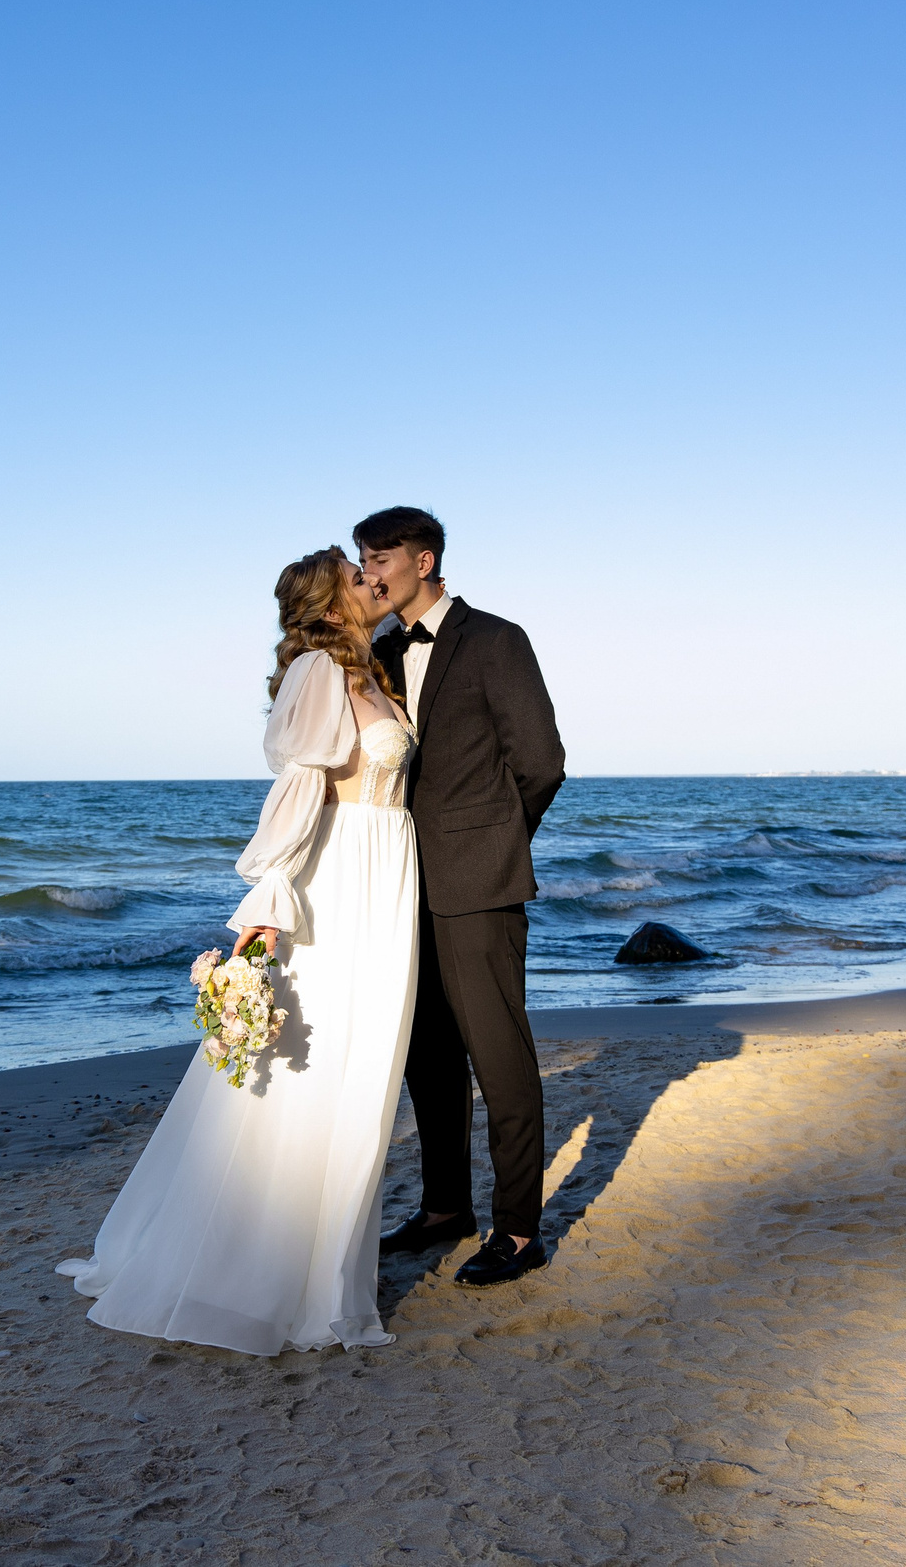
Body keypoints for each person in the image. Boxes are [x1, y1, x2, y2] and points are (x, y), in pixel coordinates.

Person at [55, 547, 421, 1354]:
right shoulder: (319, 673)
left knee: (364, 1067)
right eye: (358, 578)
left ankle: (329, 1262)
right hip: (343, 885)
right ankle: (269, 1270)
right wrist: (267, 903)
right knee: (316, 1069)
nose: (373, 583)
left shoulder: (371, 670)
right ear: (328, 608)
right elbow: (298, 793)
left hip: (389, 879)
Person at [357, 506, 566, 1286]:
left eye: (379, 558)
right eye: (362, 560)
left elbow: (541, 761)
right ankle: (445, 1206)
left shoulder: (496, 639)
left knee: (498, 1054)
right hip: (394, 884)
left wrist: (493, 844)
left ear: (424, 558)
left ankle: (518, 1230)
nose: (369, 572)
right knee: (427, 1055)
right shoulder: (375, 648)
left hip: (478, 884)